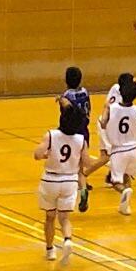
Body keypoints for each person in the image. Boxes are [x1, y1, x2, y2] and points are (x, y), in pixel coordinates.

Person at [34, 105, 90, 265]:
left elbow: (37, 154)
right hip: (70, 181)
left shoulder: (51, 135)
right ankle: (67, 239)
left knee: (50, 217)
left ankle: (50, 250)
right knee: (65, 218)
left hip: (51, 180)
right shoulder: (81, 140)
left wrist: (46, 155)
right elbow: (86, 162)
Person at [100, 80, 136, 215]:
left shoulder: (112, 108)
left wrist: (105, 109)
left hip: (118, 150)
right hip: (134, 150)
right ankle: (125, 207)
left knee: (115, 182)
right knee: (127, 176)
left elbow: (103, 124)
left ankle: (124, 191)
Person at [56, 67, 91, 212]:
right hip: (84, 132)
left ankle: (63, 194)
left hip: (71, 133)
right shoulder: (85, 92)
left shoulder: (66, 96)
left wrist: (61, 100)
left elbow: (68, 113)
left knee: (65, 166)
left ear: (66, 80)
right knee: (80, 168)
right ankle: (83, 188)